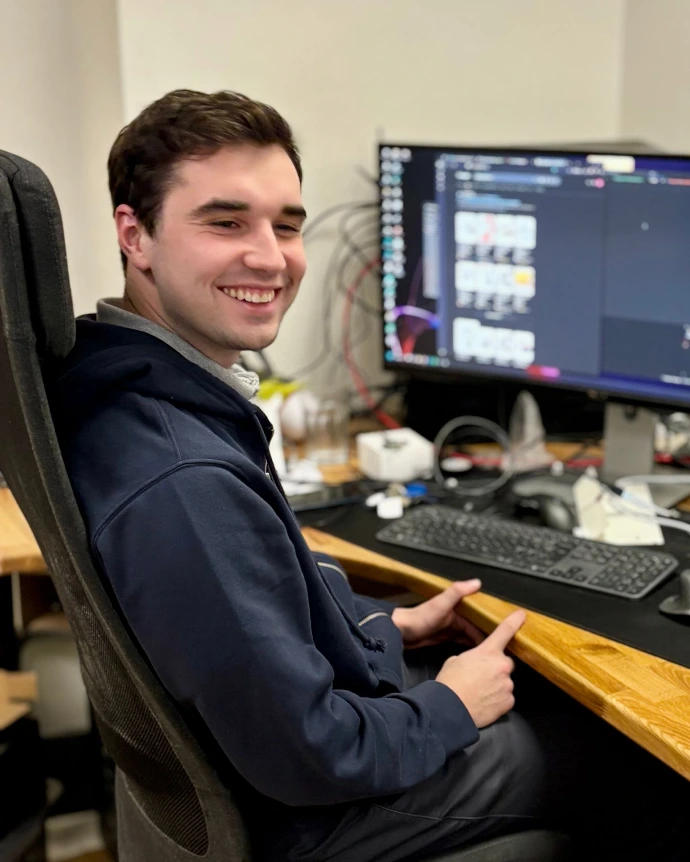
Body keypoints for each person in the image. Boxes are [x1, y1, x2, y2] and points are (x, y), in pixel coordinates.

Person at [48, 89, 689, 862]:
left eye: (287, 224)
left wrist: (383, 627)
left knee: (547, 703)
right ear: (135, 235)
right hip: (311, 815)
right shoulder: (184, 477)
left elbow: (254, 625)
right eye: (226, 222)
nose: (271, 256)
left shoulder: (137, 395)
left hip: (268, 776)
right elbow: (308, 752)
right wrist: (452, 705)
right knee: (632, 762)